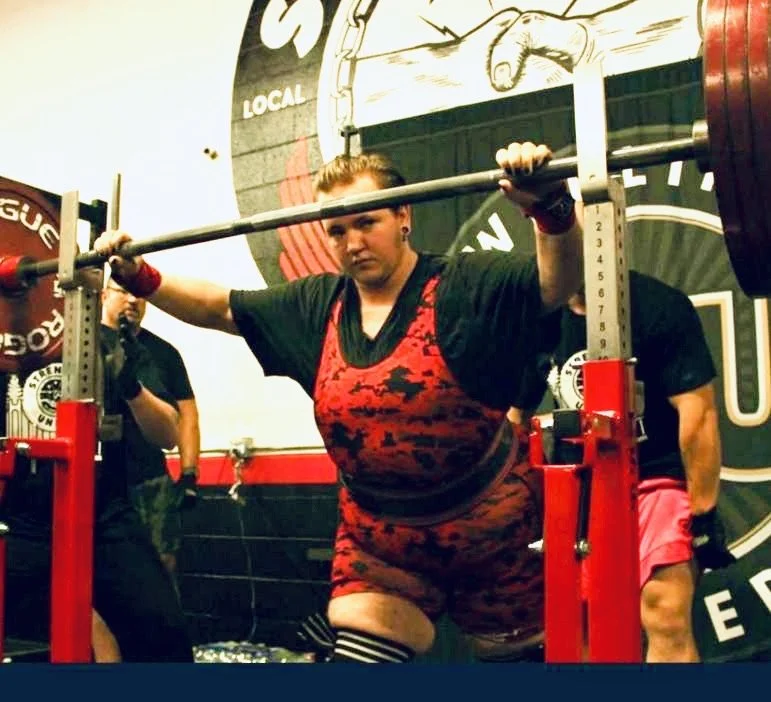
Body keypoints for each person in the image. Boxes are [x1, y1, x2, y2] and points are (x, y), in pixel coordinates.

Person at [94, 141, 584, 663]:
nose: (353, 242)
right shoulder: (316, 306)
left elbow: (556, 284)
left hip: (493, 540)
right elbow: (219, 308)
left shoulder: (465, 284)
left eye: (366, 222)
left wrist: (550, 205)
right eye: (337, 230)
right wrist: (138, 276)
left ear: (403, 216)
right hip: (382, 548)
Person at [508, 271, 735, 662]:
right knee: (578, 626)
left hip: (656, 475)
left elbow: (698, 413)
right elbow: (514, 417)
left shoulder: (658, 305)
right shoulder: (538, 320)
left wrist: (703, 514)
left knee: (665, 609)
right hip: (578, 487)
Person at [1, 300, 194, 662]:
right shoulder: (6, 348)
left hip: (103, 517)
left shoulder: (105, 343)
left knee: (165, 634)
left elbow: (168, 433)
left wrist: (132, 388)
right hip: (19, 522)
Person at [101, 275, 201, 578]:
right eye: (123, 292)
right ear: (104, 295)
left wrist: (189, 473)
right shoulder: (82, 343)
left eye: (139, 294)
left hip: (149, 478)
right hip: (100, 478)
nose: (133, 299)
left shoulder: (163, 352)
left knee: (161, 566)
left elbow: (187, 414)